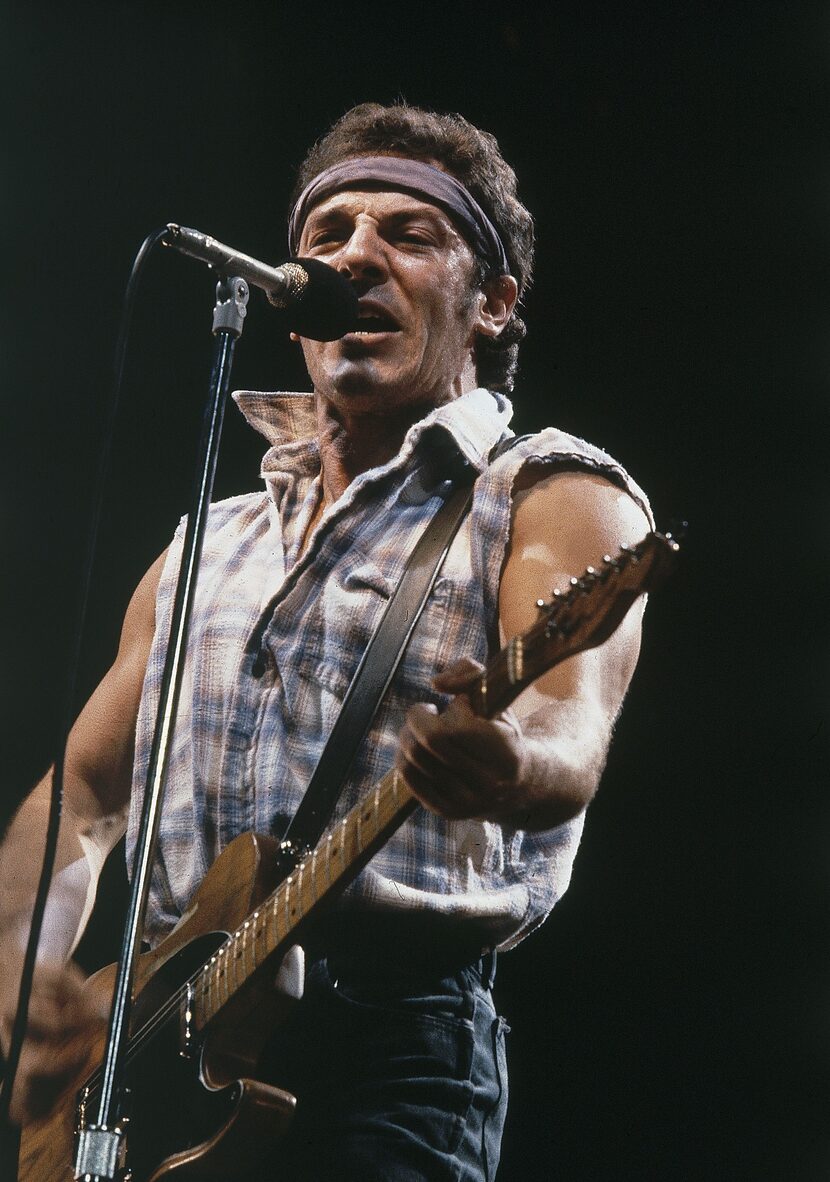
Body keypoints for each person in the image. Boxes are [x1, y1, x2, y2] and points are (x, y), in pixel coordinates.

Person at [0, 103, 653, 1180]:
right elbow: (83, 796)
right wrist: (25, 991)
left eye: (409, 234)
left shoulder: (545, 494)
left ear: (491, 302)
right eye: (327, 236)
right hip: (159, 1068)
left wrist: (509, 766)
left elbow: (565, 734)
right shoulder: (206, 543)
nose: (355, 257)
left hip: (389, 1055)